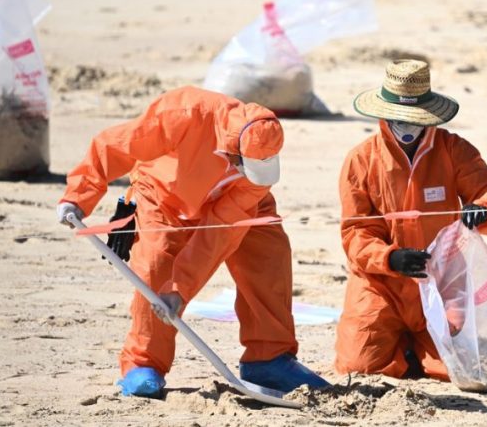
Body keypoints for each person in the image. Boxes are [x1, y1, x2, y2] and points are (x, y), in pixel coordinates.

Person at [56, 86, 328, 397]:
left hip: (230, 202)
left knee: (268, 253)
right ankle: (142, 364)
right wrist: (78, 197)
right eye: (246, 166)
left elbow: (218, 233)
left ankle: (269, 358)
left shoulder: (255, 178)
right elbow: (112, 146)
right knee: (156, 267)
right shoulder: (181, 115)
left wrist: (181, 289)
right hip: (164, 197)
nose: (250, 173)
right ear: (231, 151)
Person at [335, 59, 487, 379]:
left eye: (413, 118)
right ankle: (405, 349)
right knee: (358, 366)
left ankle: (419, 349)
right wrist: (390, 258)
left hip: (441, 283)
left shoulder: (453, 149)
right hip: (381, 285)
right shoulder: (360, 160)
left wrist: (483, 208)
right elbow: (355, 233)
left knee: (458, 369)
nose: (406, 126)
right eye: (398, 118)